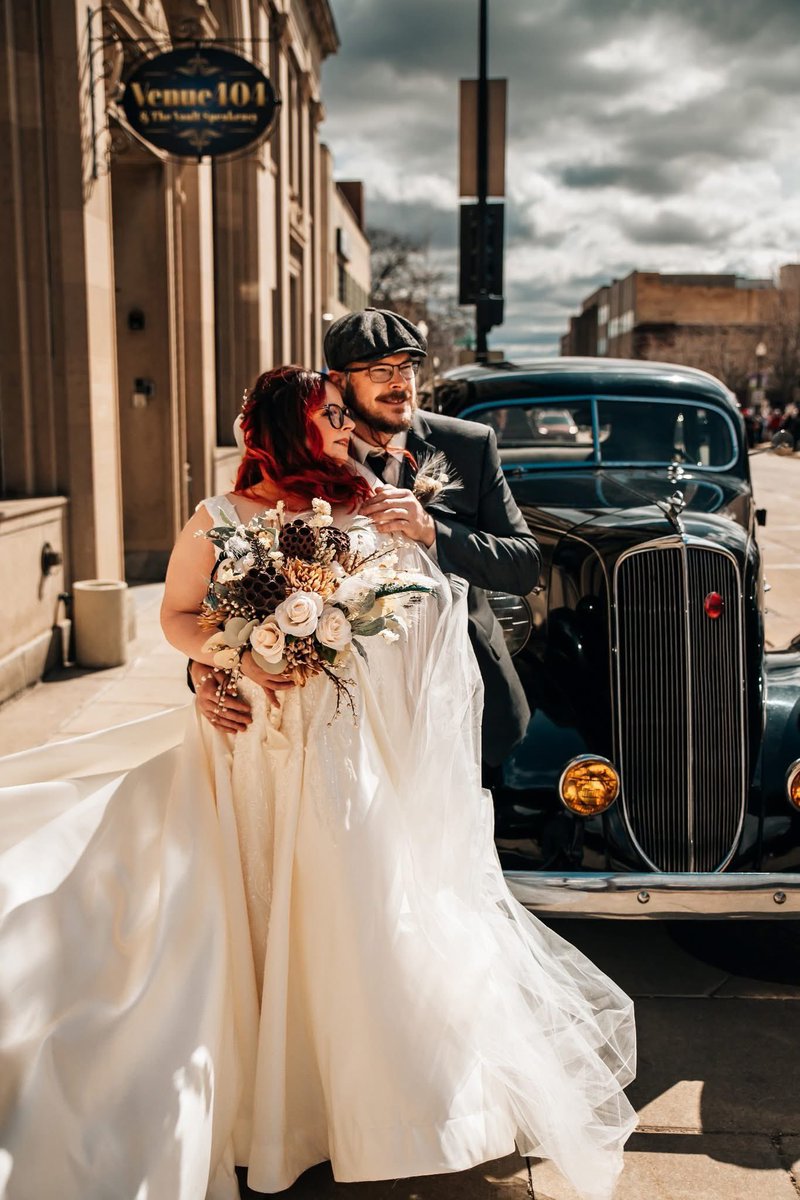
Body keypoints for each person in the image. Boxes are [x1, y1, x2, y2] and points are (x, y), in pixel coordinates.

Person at [0, 363, 636, 1200]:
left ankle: (365, 1109)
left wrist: (339, 633)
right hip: (249, 746)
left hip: (344, 747)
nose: (344, 429)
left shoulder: (370, 505)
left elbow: (421, 618)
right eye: (329, 415)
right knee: (248, 903)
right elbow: (179, 616)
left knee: (356, 907)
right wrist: (226, 664)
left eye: (343, 414)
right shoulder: (220, 518)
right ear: (283, 428)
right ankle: (259, 1097)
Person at [192, 309, 539, 777]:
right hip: (349, 720)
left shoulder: (468, 445)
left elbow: (524, 565)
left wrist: (432, 531)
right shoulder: (309, 454)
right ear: (338, 379)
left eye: (408, 367)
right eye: (381, 371)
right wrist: (207, 668)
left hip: (463, 700)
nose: (401, 384)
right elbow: (232, 578)